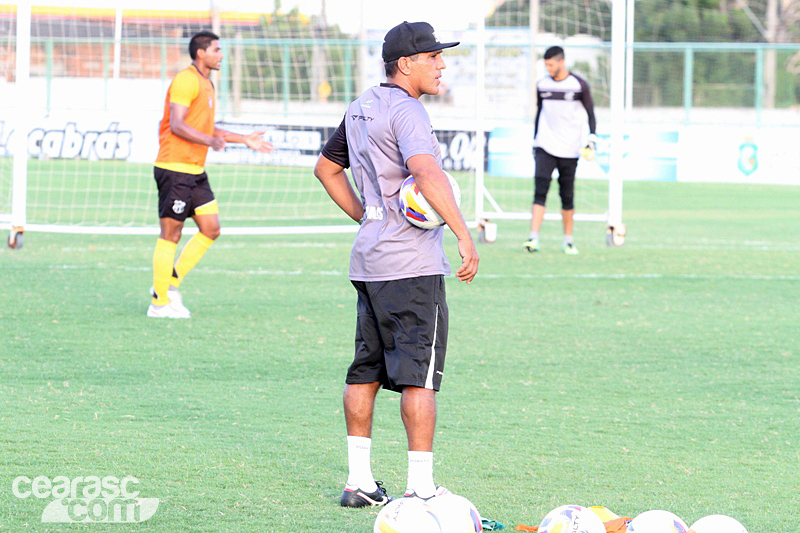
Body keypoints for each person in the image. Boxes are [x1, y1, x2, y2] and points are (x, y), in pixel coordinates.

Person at [313, 21, 479, 508]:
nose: (442, 64)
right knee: (419, 376)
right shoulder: (408, 110)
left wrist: (368, 216)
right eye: (433, 57)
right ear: (405, 64)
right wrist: (463, 233)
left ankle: (358, 483)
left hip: (369, 260)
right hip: (410, 264)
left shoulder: (361, 105)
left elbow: (326, 168)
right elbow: (426, 172)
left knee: (364, 370)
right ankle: (421, 488)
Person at [148, 30, 273, 318]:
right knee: (171, 233)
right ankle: (159, 304)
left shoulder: (207, 84)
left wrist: (244, 139)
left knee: (211, 228)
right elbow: (178, 125)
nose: (221, 55)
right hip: (174, 169)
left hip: (195, 171)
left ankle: (168, 285)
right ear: (200, 52)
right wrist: (209, 141)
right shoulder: (185, 80)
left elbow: (206, 130)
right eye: (217, 50)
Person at [524, 45, 597, 255]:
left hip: (571, 149)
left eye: (551, 64)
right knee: (540, 192)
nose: (548, 68)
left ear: (561, 62)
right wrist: (535, 140)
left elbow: (591, 114)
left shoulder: (579, 85)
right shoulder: (542, 84)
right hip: (545, 147)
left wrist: (592, 138)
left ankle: (568, 241)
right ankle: (533, 238)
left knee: (567, 195)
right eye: (545, 64)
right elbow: (540, 112)